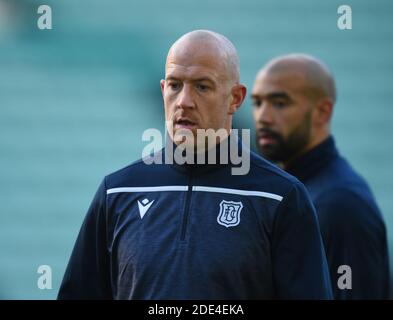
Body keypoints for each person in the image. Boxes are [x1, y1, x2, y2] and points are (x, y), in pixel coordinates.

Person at [58, 31, 332, 299]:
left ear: (235, 98)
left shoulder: (280, 197)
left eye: (202, 86)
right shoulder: (116, 192)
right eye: (175, 85)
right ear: (163, 90)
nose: (184, 102)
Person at [252, 54, 390, 299]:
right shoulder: (289, 190)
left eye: (280, 103)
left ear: (322, 112)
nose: (263, 116)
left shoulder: (340, 205)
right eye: (257, 103)